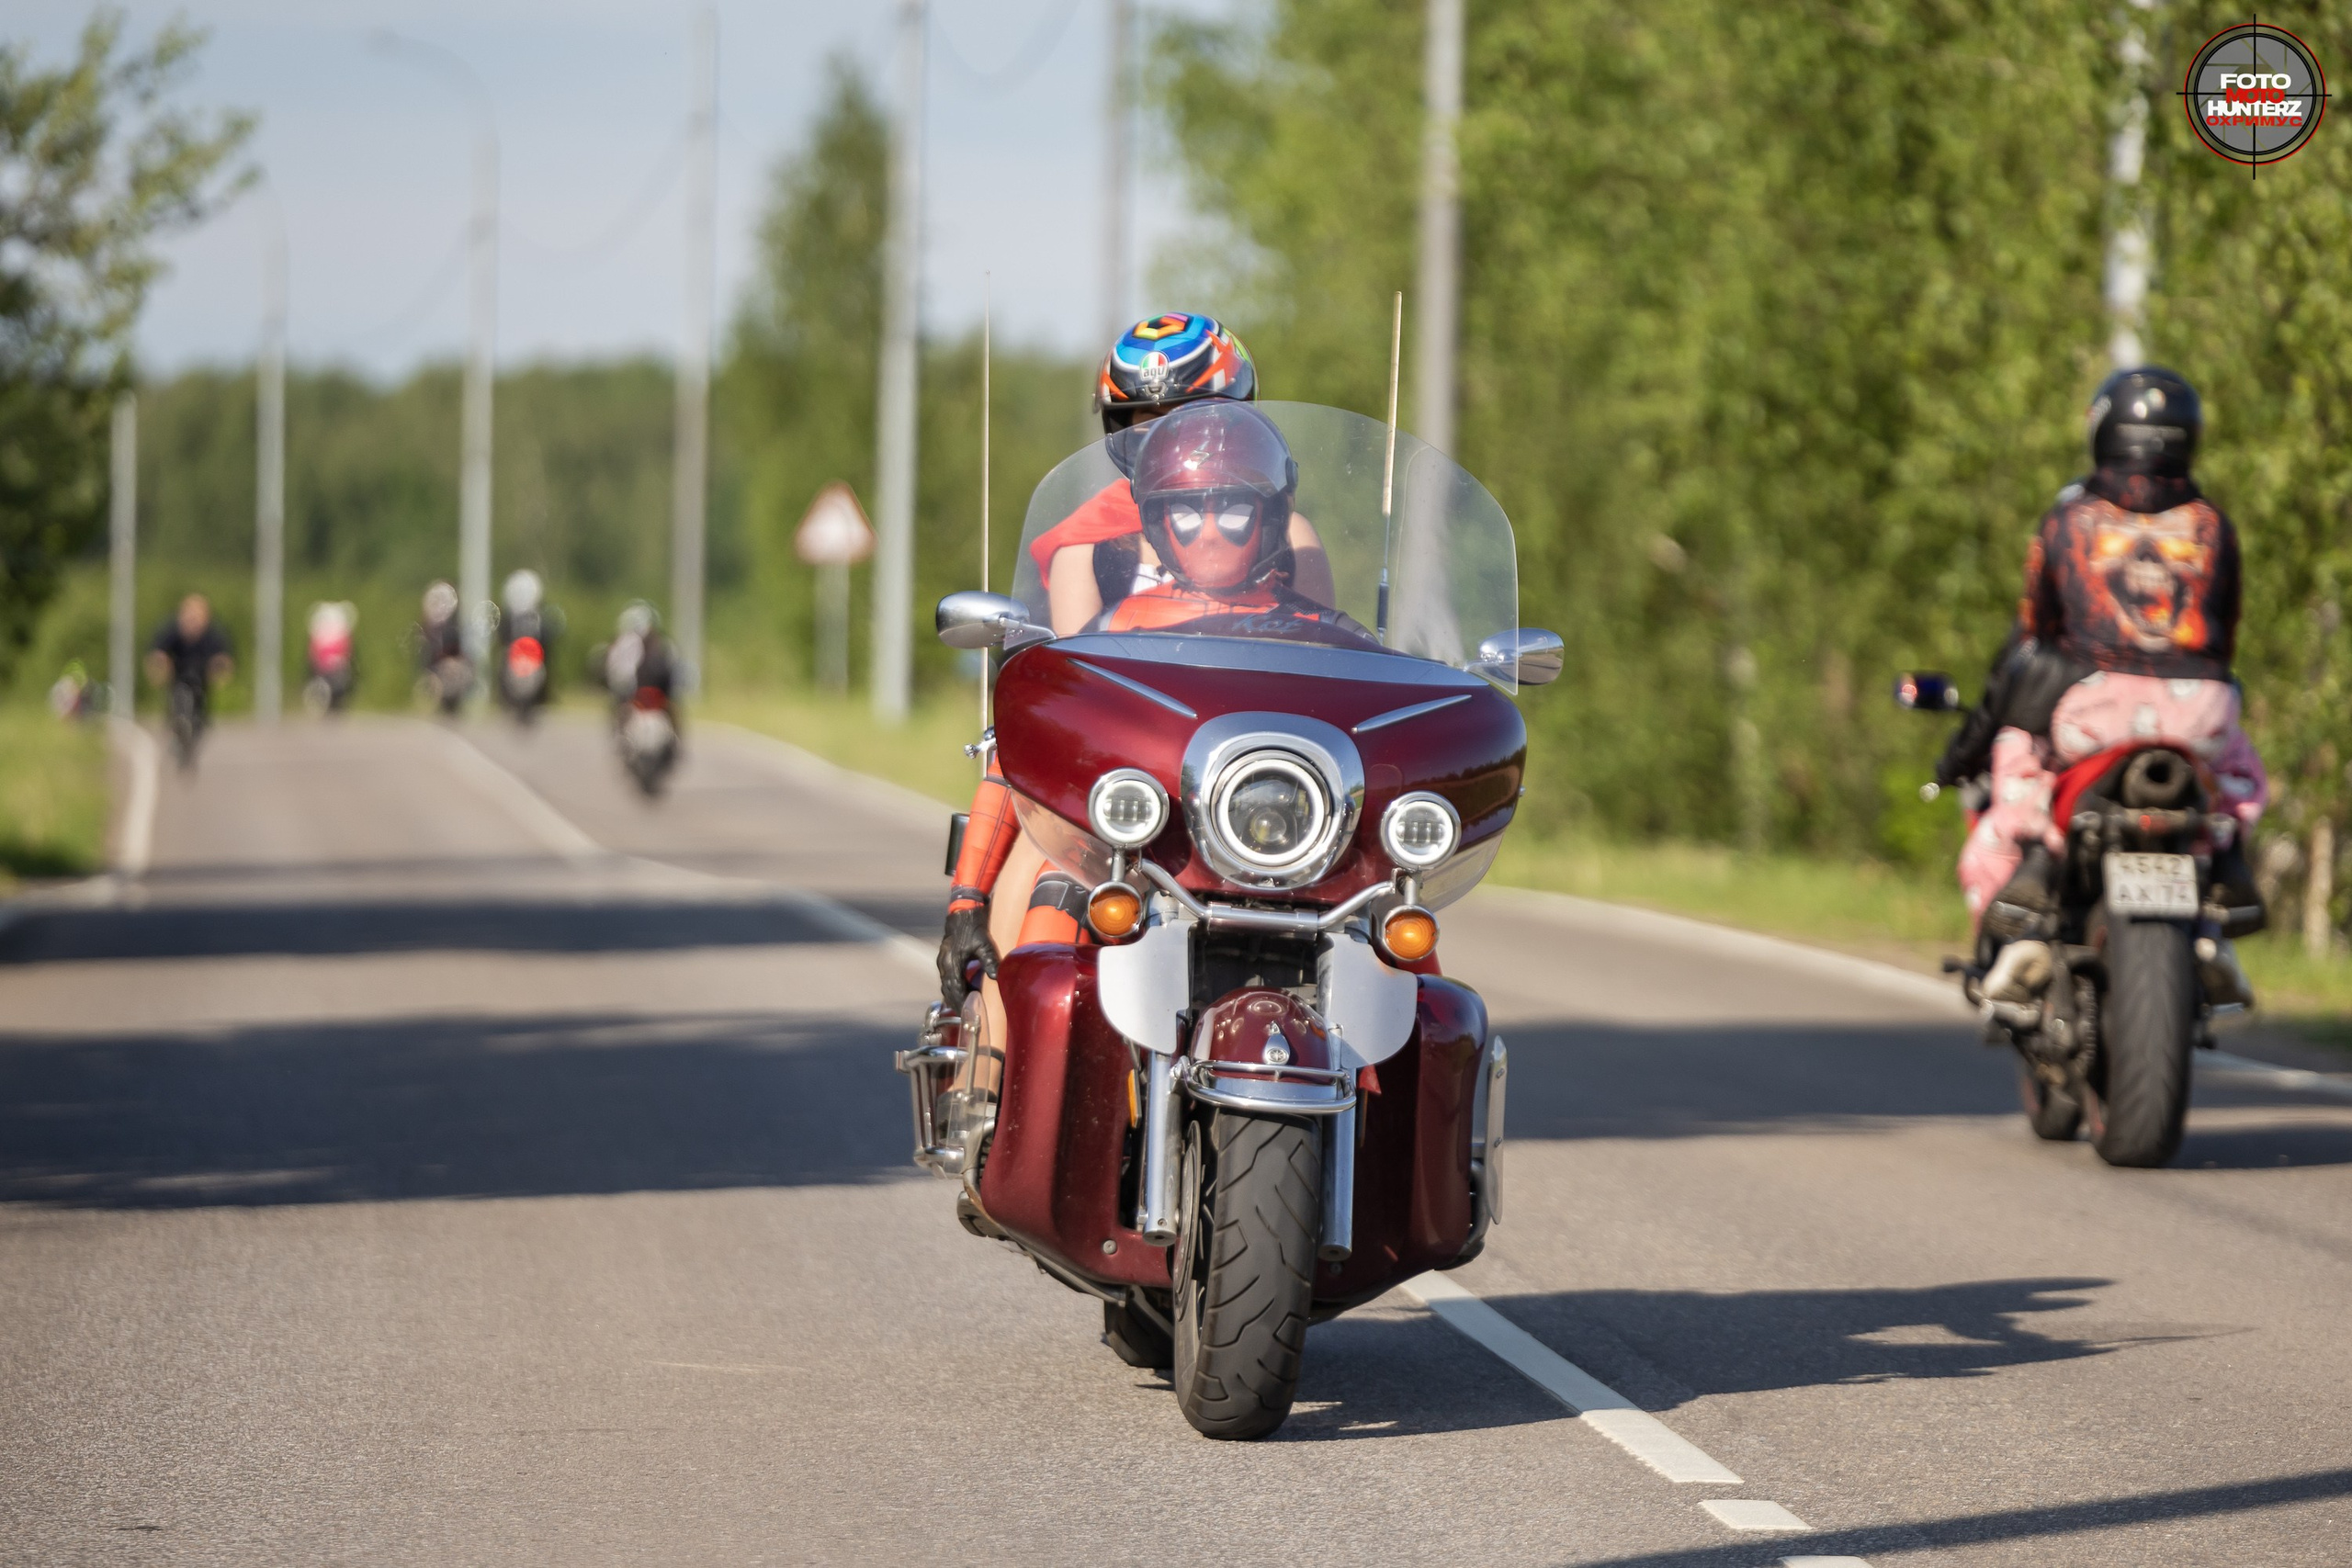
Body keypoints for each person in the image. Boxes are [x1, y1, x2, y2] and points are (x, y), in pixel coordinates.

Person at [938, 313, 1336, 1008]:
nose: (1168, 440)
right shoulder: (1087, 545)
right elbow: (1078, 699)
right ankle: (998, 1077)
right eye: (1141, 424)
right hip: (1124, 791)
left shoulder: (1289, 530)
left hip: (1250, 789)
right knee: (1038, 894)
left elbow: (1321, 677)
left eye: (1189, 419)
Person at [1944, 367, 2267, 1004]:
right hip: (2200, 709)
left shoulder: (2069, 520)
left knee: (2022, 755)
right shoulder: (2213, 526)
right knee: (2239, 775)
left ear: (2102, 432)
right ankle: (2222, 865)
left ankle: (2035, 867)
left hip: (2092, 706)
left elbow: (2036, 630)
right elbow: (2224, 633)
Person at [145, 592, 235, 712]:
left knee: (202, 691)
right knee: (174, 690)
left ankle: (200, 713)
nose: (193, 620)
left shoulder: (213, 634)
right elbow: (158, 652)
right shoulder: (171, 630)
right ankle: (174, 711)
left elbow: (223, 657)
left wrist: (219, 673)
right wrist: (159, 669)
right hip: (178, 668)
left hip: (201, 670)